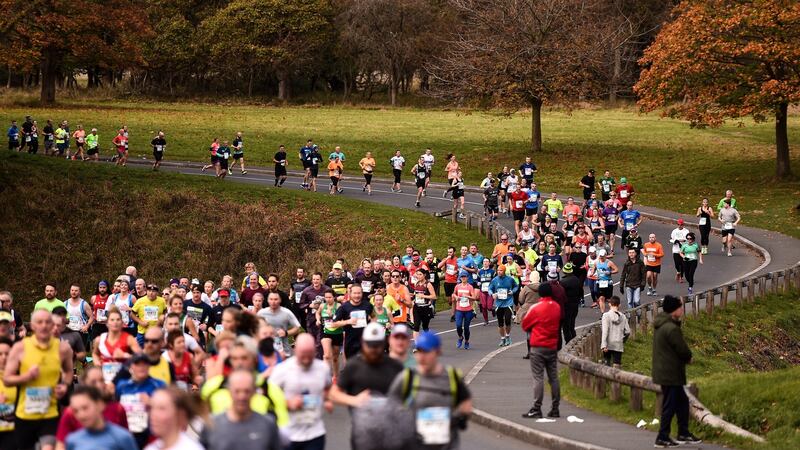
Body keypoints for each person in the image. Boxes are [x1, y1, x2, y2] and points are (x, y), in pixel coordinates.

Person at [388, 331, 472, 450]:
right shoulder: (408, 377)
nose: (421, 357)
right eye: (419, 352)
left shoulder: (452, 377)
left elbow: (465, 401)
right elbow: (391, 405)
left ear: (437, 352)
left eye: (426, 352)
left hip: (446, 445)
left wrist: (460, 417)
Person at [4, 310, 73, 450]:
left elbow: (68, 372)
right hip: (24, 414)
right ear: (33, 326)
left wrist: (65, 385)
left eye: (48, 322)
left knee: (49, 447)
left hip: (50, 413)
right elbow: (7, 379)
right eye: (39, 322)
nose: (44, 326)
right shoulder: (20, 347)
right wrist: (27, 377)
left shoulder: (63, 348)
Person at [329, 323, 404, 448]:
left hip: (390, 433)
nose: (373, 349)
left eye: (376, 345)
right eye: (369, 345)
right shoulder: (353, 366)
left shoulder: (395, 367)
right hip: (363, 435)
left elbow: (407, 397)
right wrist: (354, 400)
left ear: (384, 343)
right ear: (363, 343)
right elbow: (333, 394)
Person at [652, 296, 701, 448]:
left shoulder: (662, 325)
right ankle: (662, 436)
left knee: (682, 402)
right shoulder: (671, 328)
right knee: (670, 405)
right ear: (674, 310)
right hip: (670, 373)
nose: (682, 309)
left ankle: (683, 432)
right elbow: (682, 349)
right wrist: (689, 358)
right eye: (680, 307)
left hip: (666, 371)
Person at [270, 333, 332, 450]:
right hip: (288, 433)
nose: (306, 359)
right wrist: (287, 403)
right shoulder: (282, 370)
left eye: (310, 354)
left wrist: (327, 400)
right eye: (303, 354)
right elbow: (267, 396)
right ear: (295, 350)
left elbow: (328, 388)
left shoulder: (323, 369)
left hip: (315, 432)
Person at [201, 370, 282, 450]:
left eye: (247, 391)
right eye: (237, 391)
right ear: (229, 391)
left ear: (254, 391)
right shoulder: (211, 425)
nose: (242, 397)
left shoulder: (268, 425)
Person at [521, 282, 562, 419]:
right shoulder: (556, 307)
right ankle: (555, 407)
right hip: (552, 345)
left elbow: (525, 324)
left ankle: (537, 407)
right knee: (553, 377)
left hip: (538, 345)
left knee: (538, 377)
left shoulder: (536, 308)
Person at [63, 385, 138, 450]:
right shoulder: (72, 440)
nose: (81, 415)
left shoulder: (123, 437)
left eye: (85, 408)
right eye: (75, 411)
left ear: (100, 405)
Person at [92, 308, 141, 386]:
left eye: (118, 320)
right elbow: (95, 354)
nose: (115, 322)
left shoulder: (129, 339)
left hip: (123, 381)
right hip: (105, 381)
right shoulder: (100, 339)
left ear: (122, 323)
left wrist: (125, 356)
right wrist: (96, 362)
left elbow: (141, 358)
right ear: (107, 323)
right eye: (112, 320)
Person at [331, 285, 373, 359]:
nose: (357, 296)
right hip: (350, 342)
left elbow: (374, 317)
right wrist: (348, 321)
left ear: (362, 293)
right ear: (350, 294)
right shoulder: (344, 307)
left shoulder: (368, 305)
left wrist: (372, 321)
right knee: (352, 367)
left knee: (365, 367)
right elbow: (333, 324)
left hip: (365, 342)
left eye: (359, 293)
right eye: (354, 293)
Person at [257, 292, 301, 356]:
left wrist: (286, 333)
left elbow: (297, 328)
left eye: (275, 299)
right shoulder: (262, 313)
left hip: (284, 351)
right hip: (266, 350)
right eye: (271, 299)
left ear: (280, 300)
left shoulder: (286, 312)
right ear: (267, 300)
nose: (273, 302)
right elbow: (255, 329)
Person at [488, 265, 519, 347]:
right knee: (500, 323)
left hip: (508, 303)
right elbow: (490, 288)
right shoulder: (494, 280)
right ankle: (502, 338)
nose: (499, 272)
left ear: (504, 271)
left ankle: (508, 336)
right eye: (498, 270)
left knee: (508, 320)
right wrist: (492, 294)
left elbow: (516, 286)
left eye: (501, 270)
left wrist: (512, 291)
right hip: (498, 304)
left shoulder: (510, 279)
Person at [600, 296, 630, 368]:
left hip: (608, 343)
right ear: (619, 305)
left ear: (609, 304)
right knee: (617, 364)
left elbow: (605, 331)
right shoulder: (623, 316)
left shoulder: (606, 315)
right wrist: (622, 340)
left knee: (607, 364)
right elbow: (628, 331)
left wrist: (604, 344)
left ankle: (606, 378)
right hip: (618, 343)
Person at [452, 272, 478, 349]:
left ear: (467, 278)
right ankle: (460, 337)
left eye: (465, 277)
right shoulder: (457, 286)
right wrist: (456, 297)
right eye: (462, 277)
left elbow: (474, 298)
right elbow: (453, 294)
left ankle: (467, 341)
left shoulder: (470, 287)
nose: (463, 278)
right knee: (458, 325)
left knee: (466, 327)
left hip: (468, 310)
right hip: (459, 309)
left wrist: (467, 296)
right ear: (460, 278)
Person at [558, 263, 582, 344]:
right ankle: (575, 342)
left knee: (566, 326)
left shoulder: (563, 282)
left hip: (566, 305)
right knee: (572, 325)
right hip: (575, 304)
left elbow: (561, 295)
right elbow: (581, 292)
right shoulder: (576, 279)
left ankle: (568, 343)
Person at [0, 336, 16, 450]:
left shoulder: (21, 377)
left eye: (7, 354)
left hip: (13, 433)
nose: (4, 358)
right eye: (0, 354)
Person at [669, 219, 689, 284]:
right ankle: (678, 272)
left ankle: (681, 277)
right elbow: (671, 239)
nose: (680, 226)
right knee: (677, 263)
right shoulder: (674, 231)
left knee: (683, 264)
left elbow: (687, 239)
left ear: (683, 224)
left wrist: (681, 240)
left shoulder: (686, 231)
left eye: (681, 224)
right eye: (679, 224)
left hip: (684, 249)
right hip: (676, 249)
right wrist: (675, 241)